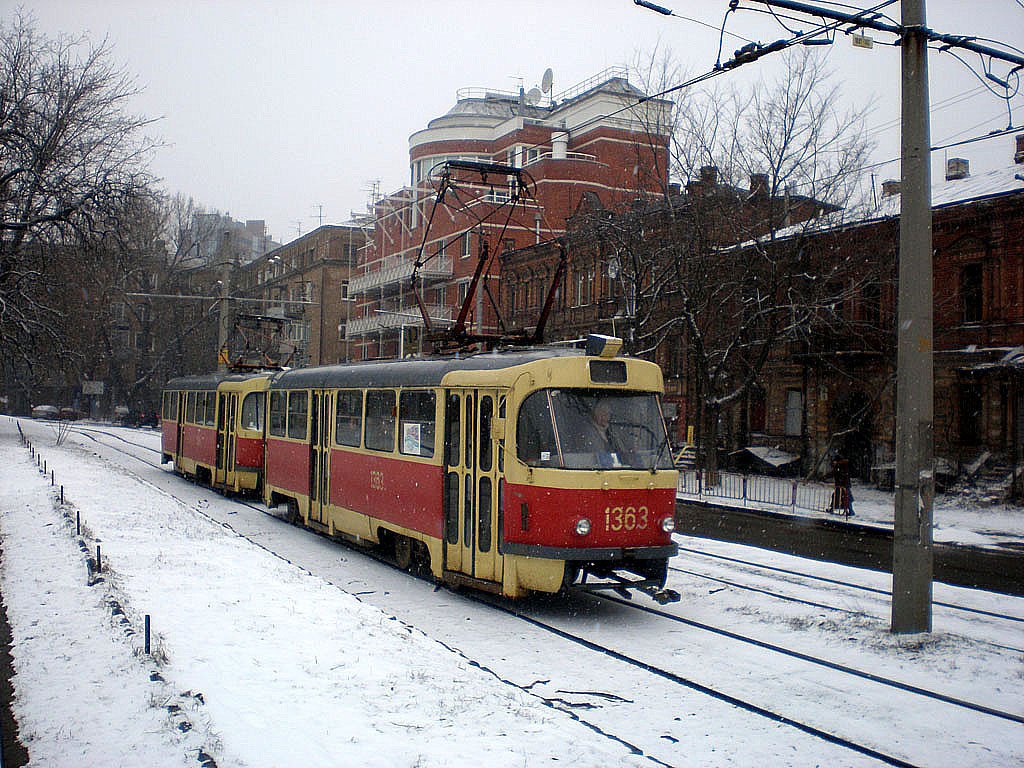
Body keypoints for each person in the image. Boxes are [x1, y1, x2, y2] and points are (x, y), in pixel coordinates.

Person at [579, 400, 627, 467]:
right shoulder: (590, 432)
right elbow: (594, 456)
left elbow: (623, 452)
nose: (604, 416)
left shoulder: (612, 433)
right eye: (601, 413)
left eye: (607, 414)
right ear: (595, 415)